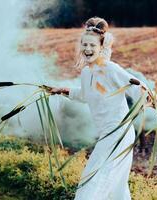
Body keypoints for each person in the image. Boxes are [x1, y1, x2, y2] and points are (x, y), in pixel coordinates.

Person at [51, 17, 148, 200]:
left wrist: (147, 98)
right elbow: (86, 95)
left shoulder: (110, 69)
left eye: (92, 45)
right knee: (116, 186)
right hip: (107, 133)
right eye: (85, 45)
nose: (87, 49)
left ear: (101, 47)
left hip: (118, 134)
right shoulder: (87, 73)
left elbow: (137, 87)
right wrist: (64, 90)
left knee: (94, 180)